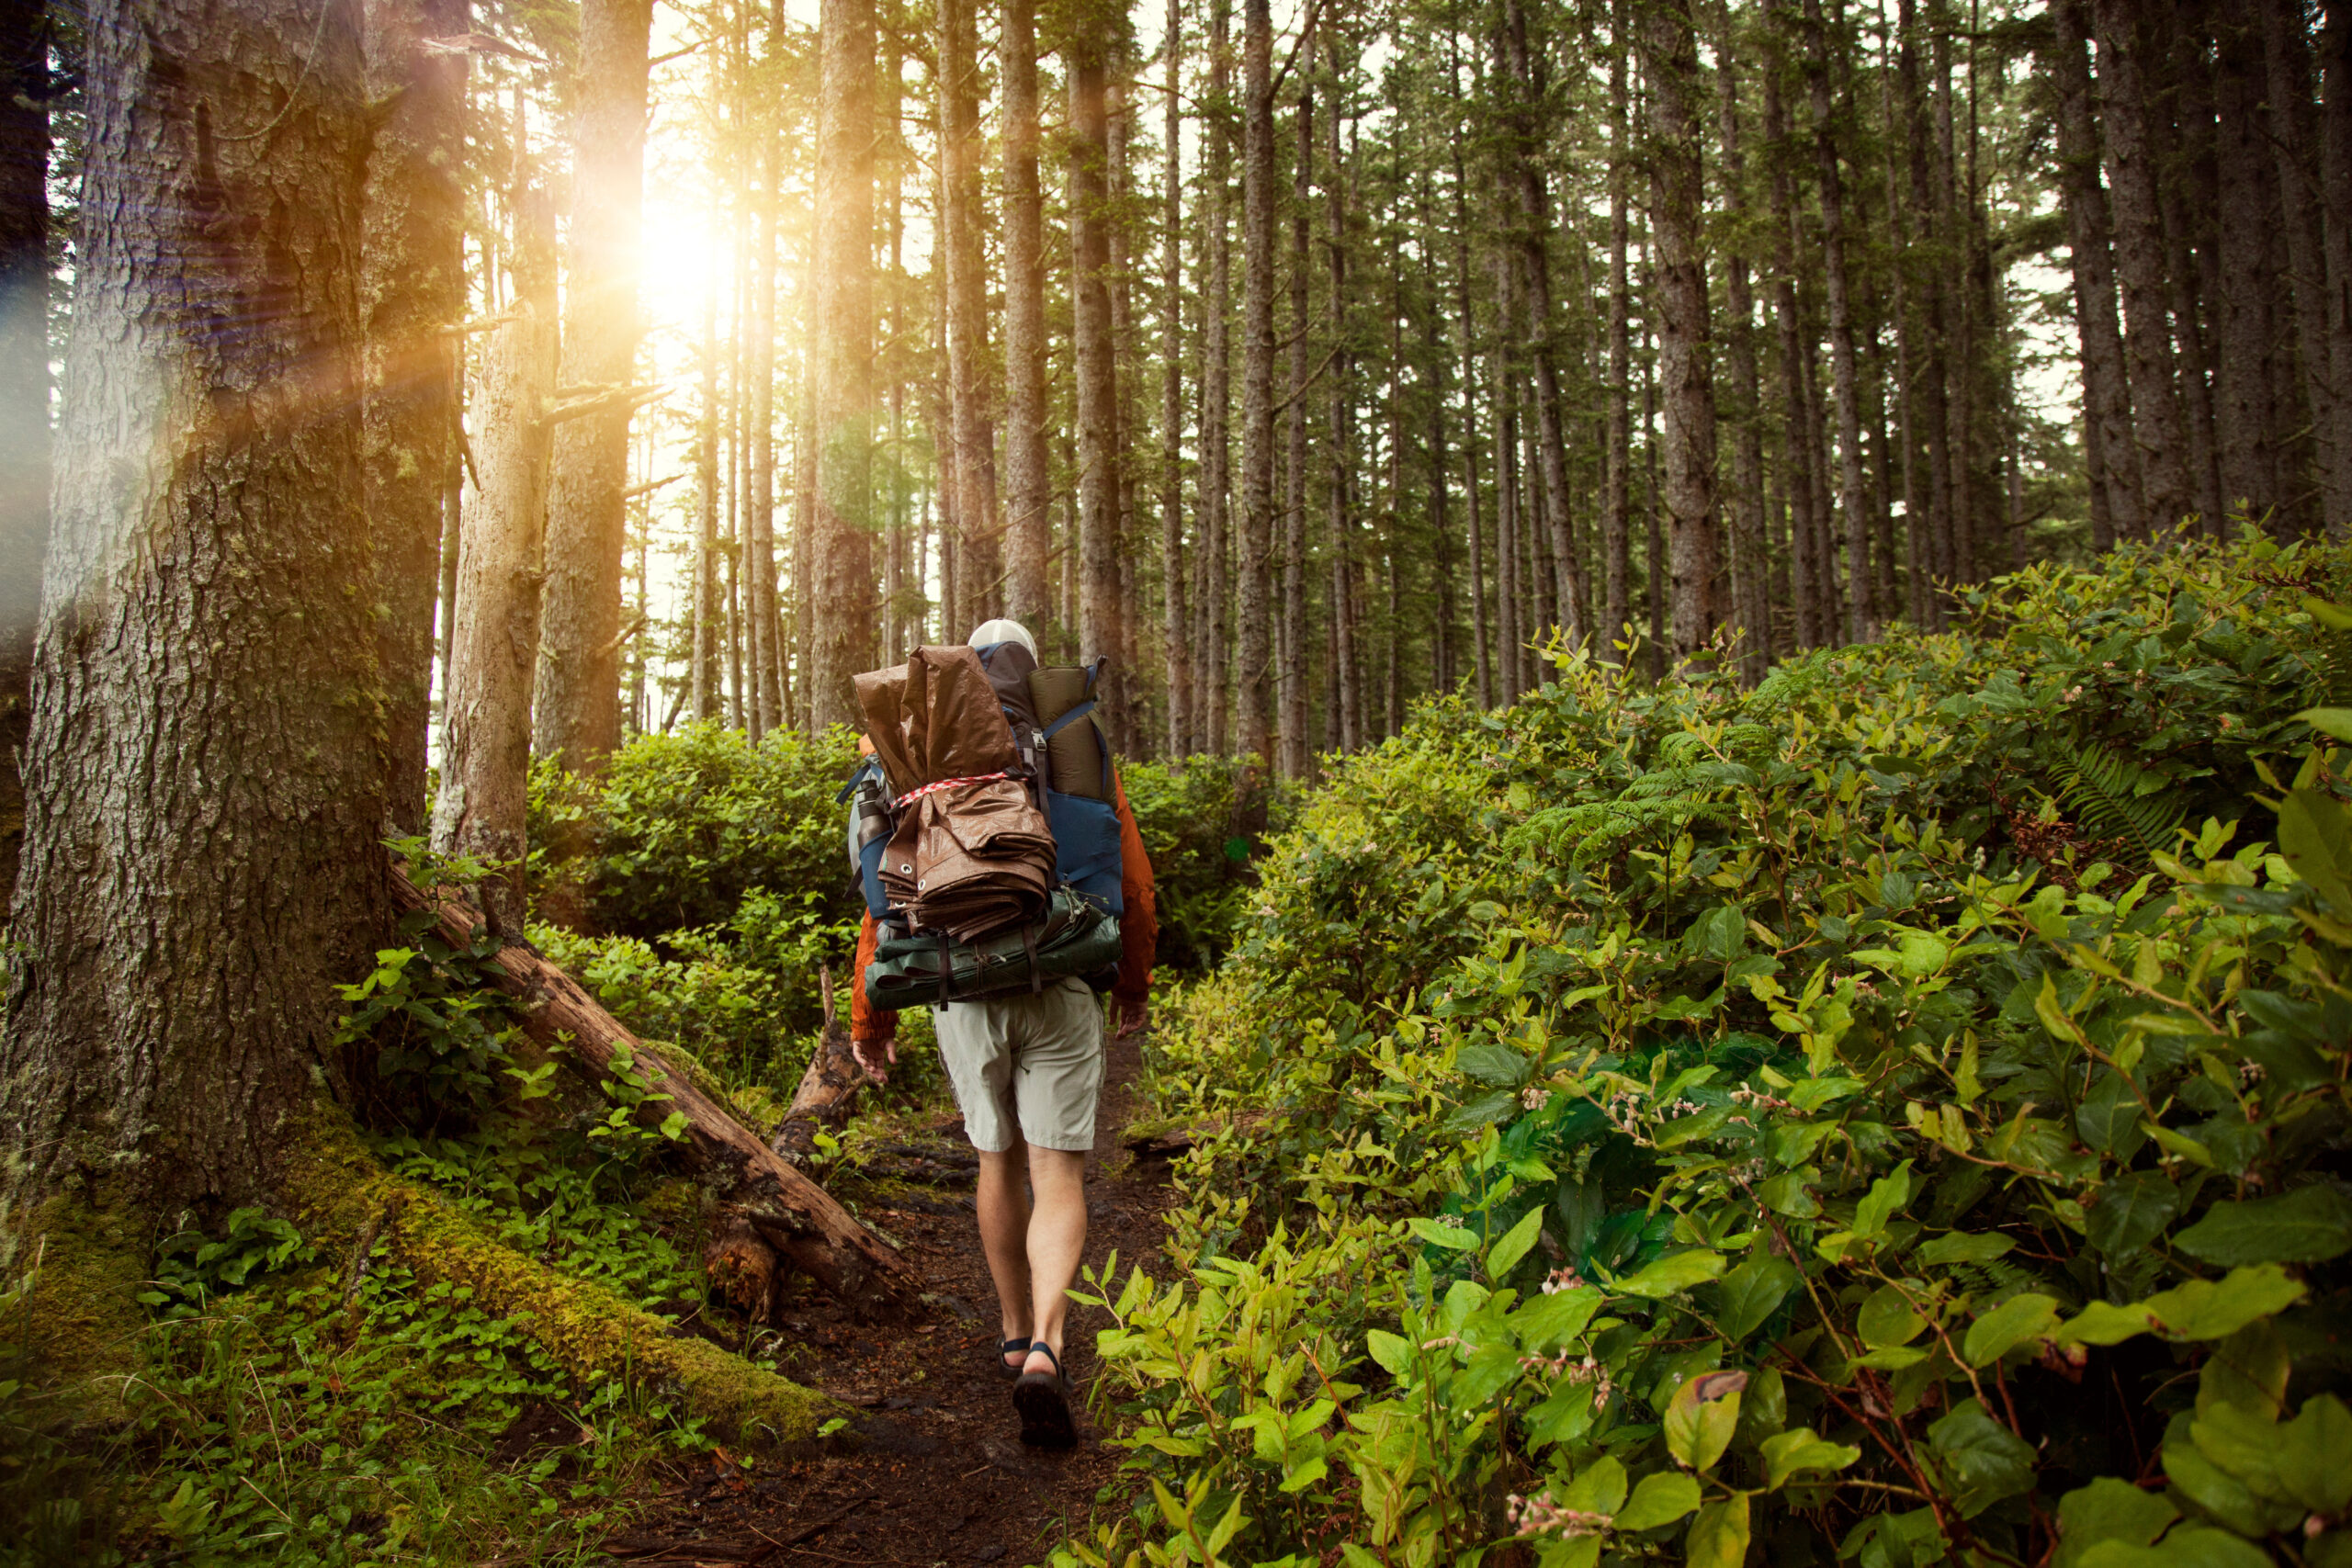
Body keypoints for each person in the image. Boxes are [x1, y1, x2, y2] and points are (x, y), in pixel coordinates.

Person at [846, 618, 1156, 1448]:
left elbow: (885, 890)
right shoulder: (1070, 742)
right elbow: (1130, 876)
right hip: (1061, 976)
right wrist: (1132, 982)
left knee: (996, 1160)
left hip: (962, 983)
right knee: (1057, 1171)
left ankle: (1014, 1330)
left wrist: (871, 1018)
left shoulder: (927, 748)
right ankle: (1049, 1347)